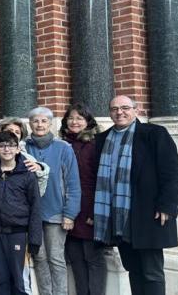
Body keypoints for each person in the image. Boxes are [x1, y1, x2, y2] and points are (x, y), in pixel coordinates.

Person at [93, 96, 178, 295]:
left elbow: (171, 172)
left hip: (148, 212)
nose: (119, 112)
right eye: (114, 108)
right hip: (119, 216)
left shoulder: (154, 134)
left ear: (136, 110)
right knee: (133, 269)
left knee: (152, 272)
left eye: (125, 108)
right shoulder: (102, 139)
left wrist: (167, 205)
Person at [0, 131, 42, 295]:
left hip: (18, 232)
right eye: (2, 145)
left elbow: (35, 207)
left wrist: (34, 239)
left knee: (19, 278)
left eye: (11, 145)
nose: (6, 149)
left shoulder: (27, 173)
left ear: (18, 148)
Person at [25, 106, 81, 295]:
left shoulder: (63, 148)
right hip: (31, 213)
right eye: (35, 121)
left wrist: (70, 214)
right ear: (30, 124)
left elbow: (73, 183)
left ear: (50, 123)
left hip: (56, 212)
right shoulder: (24, 147)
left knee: (56, 259)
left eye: (43, 121)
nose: (39, 124)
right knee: (39, 258)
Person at [59, 103, 106, 295]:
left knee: (92, 257)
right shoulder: (62, 144)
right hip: (68, 209)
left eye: (79, 118)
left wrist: (96, 211)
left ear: (88, 121)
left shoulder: (95, 144)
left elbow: (101, 180)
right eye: (71, 118)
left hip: (89, 208)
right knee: (75, 258)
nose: (74, 122)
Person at [0, 120, 50, 195]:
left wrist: (41, 169)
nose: (13, 134)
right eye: (9, 131)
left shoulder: (28, 159)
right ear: (0, 132)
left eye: (17, 132)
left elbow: (38, 192)